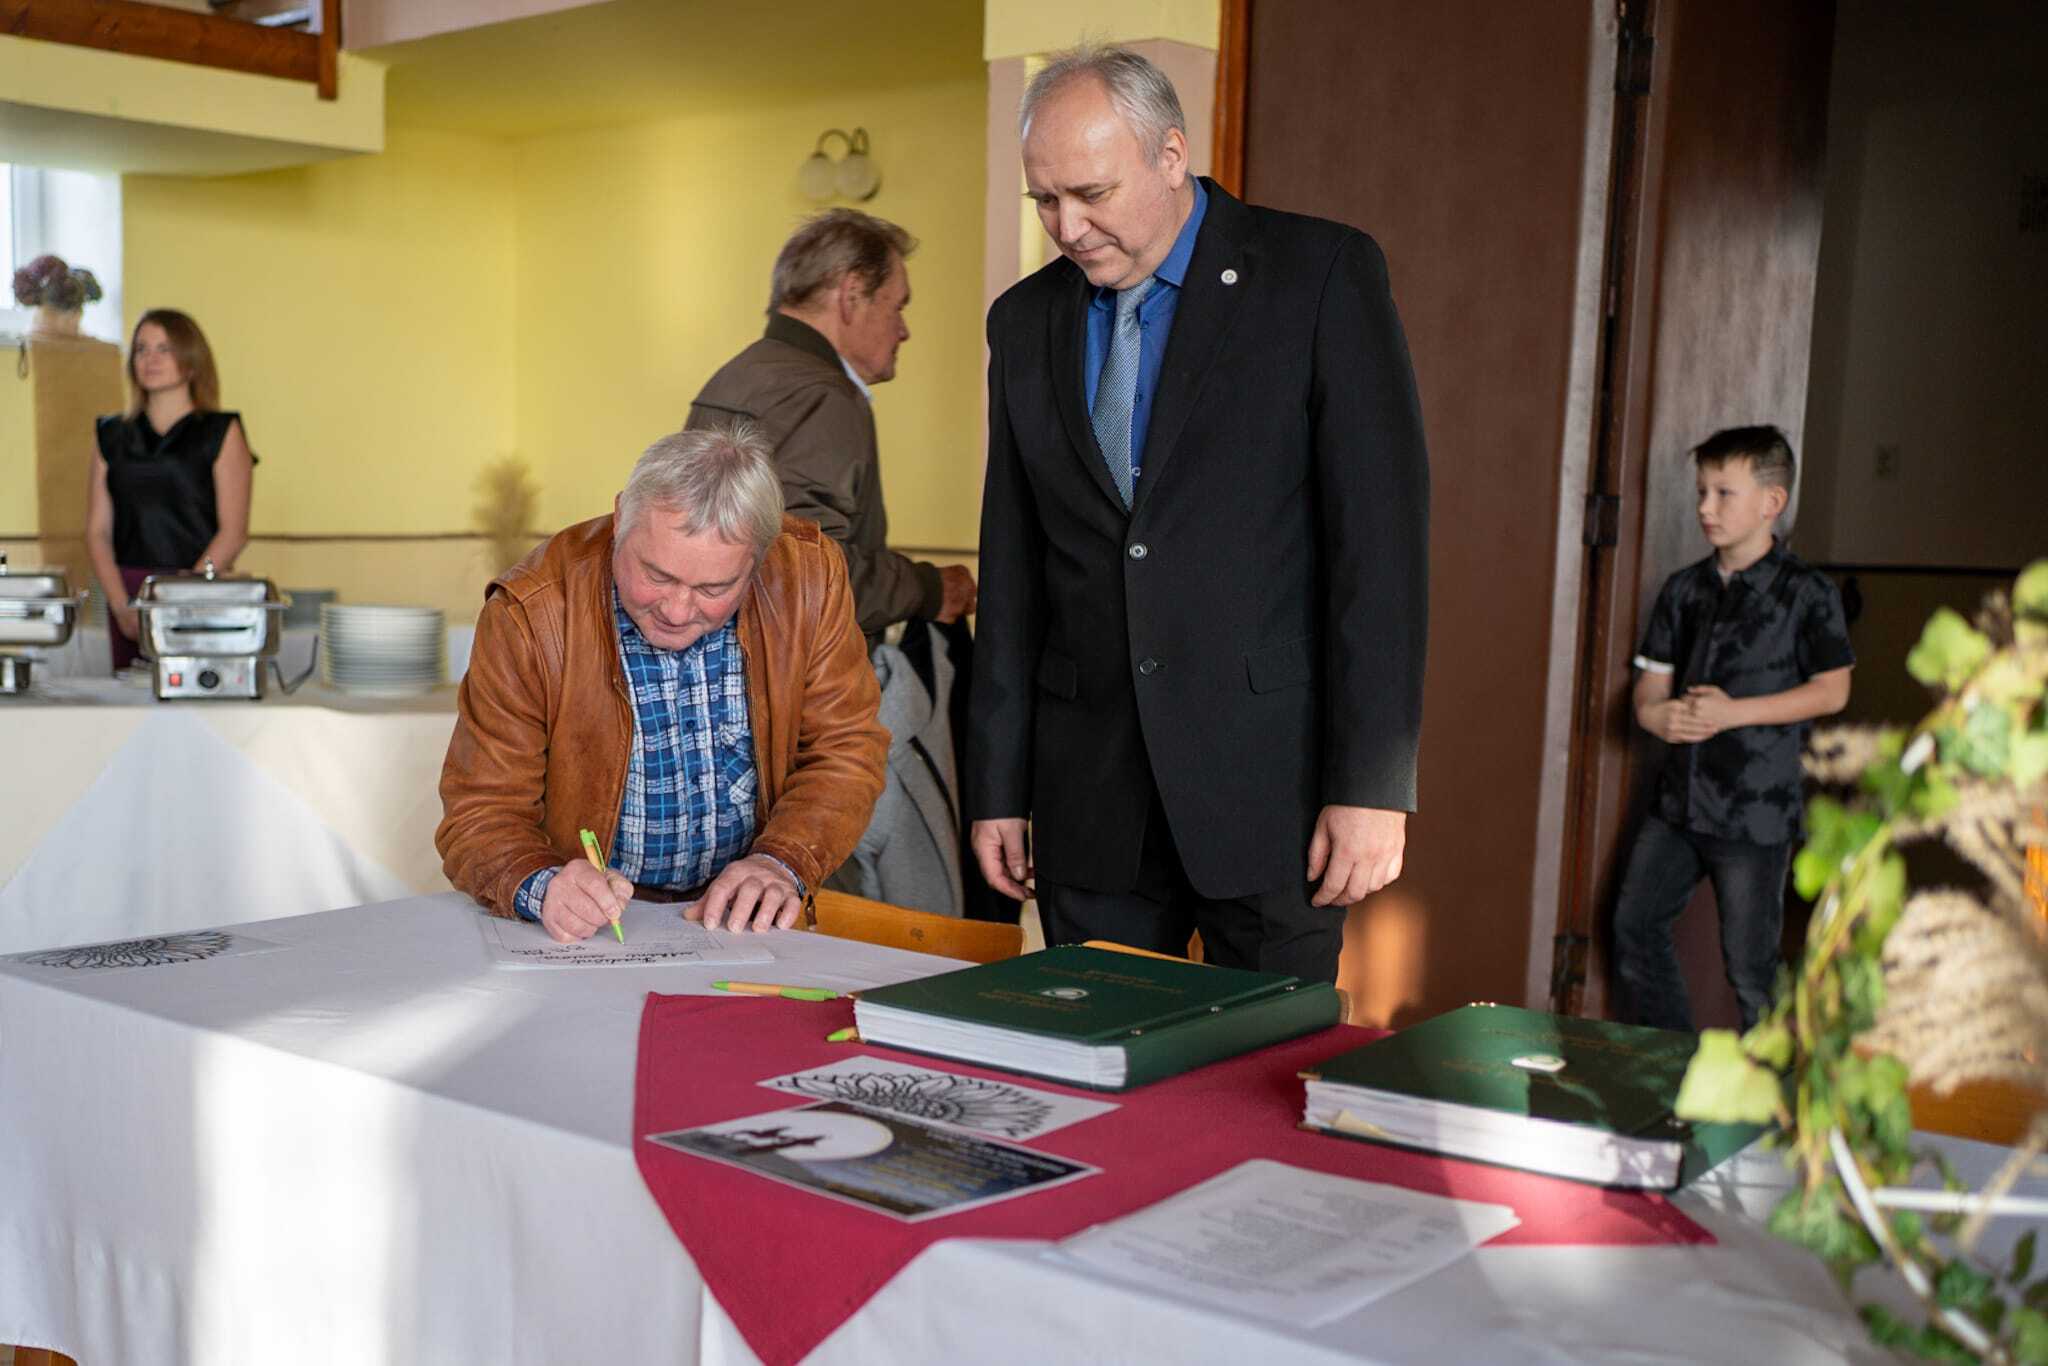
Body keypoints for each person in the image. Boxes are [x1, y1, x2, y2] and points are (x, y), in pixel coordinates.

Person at [968, 45, 1431, 982]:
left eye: (1092, 193)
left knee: (1266, 1058)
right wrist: (998, 787)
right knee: (1094, 1049)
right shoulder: (1022, 321)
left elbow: (1379, 551)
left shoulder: (1320, 275)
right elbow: (1013, 568)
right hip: (1090, 798)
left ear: (1171, 155)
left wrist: (1372, 786)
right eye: (1044, 200)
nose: (1067, 226)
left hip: (1271, 793)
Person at [436, 422, 888, 943]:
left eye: (714, 589)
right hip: (597, 930)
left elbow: (846, 749)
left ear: (758, 561)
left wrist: (780, 861)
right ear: (621, 517)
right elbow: (480, 810)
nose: (676, 610)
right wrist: (542, 884)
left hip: (748, 921)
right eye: (657, 576)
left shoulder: (808, 577)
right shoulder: (532, 611)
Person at [1613, 425, 1854, 1032]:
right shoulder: (1682, 589)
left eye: (1723, 493)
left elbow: (1833, 690)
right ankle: (1678, 1066)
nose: (1705, 507)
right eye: (1702, 491)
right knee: (1634, 927)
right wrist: (1655, 715)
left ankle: (1770, 1086)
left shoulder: (1808, 594)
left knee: (1751, 970)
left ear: (1772, 502)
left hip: (1755, 812)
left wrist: (1733, 713)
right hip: (1677, 805)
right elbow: (1649, 689)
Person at [688, 208, 975, 644]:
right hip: (784, 674)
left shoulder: (738, 374)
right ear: (852, 294)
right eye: (898, 306)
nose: (904, 331)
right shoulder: (821, 395)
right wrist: (929, 589)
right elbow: (803, 575)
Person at [89, 309, 255, 671]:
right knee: (130, 698)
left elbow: (234, 532)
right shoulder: (110, 434)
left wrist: (180, 599)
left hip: (201, 588)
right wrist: (121, 604)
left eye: (164, 349)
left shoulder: (221, 431)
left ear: (191, 361)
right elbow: (98, 531)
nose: (150, 359)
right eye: (141, 349)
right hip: (129, 595)